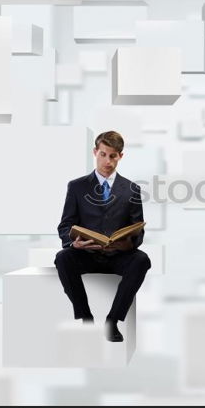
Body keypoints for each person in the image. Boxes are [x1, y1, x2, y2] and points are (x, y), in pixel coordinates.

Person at [54, 131, 151, 342]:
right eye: (103, 154)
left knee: (142, 260)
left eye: (113, 156)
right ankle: (85, 318)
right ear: (95, 152)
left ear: (120, 156)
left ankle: (113, 321)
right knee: (62, 258)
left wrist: (127, 244)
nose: (108, 161)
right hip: (86, 253)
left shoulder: (132, 189)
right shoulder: (77, 186)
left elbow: (138, 228)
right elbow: (65, 224)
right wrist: (74, 242)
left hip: (118, 255)